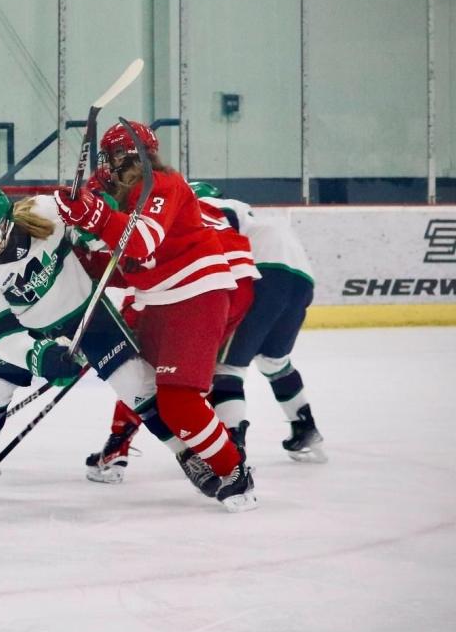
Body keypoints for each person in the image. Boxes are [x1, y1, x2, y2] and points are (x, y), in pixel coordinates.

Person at [0, 185, 202, 503]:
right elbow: (2, 335)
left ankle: (187, 455)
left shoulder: (46, 211)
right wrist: (40, 357)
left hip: (85, 314)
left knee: (138, 384)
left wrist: (94, 214)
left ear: (5, 224)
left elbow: (94, 212)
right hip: (29, 333)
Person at [53, 122, 257, 510]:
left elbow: (143, 240)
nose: (106, 167)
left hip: (195, 295)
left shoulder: (163, 183)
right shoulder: (126, 194)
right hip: (159, 300)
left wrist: (92, 215)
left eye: (112, 157)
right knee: (141, 383)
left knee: (179, 401)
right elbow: (125, 261)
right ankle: (179, 450)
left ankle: (235, 471)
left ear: (131, 156)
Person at [87, 182, 325, 483]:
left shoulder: (187, 214)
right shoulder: (240, 209)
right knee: (274, 361)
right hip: (301, 279)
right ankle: (305, 428)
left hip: (257, 274)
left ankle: (232, 454)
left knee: (224, 369)